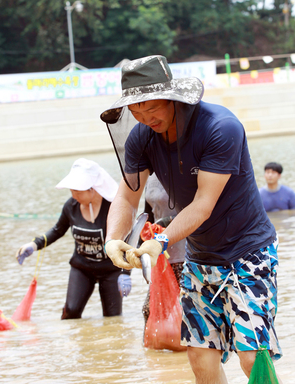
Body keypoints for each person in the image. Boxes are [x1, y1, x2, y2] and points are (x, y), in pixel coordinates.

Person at [100, 55, 283, 383]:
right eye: (136, 112)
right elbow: (127, 195)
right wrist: (113, 238)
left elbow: (203, 205)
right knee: (200, 354)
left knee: (252, 354)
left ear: (172, 98)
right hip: (201, 256)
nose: (144, 118)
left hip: (248, 251)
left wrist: (161, 241)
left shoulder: (219, 127)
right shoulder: (142, 136)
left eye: (151, 108)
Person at [15, 158, 131, 320]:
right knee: (71, 312)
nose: (73, 195)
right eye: (71, 191)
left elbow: (127, 241)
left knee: (113, 320)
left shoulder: (112, 209)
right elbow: (57, 231)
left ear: (92, 189)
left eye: (77, 191)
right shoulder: (71, 206)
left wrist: (126, 273)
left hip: (111, 271)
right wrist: (34, 245)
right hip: (82, 268)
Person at [142, 172, 186, 327]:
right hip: (161, 254)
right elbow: (148, 214)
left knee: (187, 309)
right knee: (150, 311)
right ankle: (151, 349)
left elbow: (196, 208)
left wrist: (167, 222)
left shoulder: (184, 172)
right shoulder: (150, 176)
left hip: (185, 252)